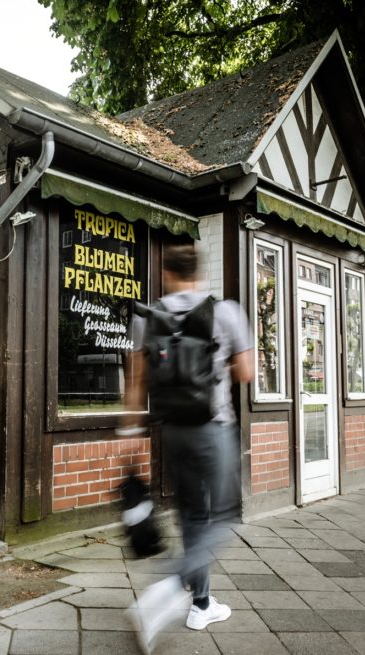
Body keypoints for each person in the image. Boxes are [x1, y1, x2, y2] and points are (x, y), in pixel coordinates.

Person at [123, 244, 253, 654]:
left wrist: (128, 432)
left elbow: (137, 381)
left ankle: (201, 604)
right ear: (199, 272)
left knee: (192, 515)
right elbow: (247, 371)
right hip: (213, 428)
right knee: (226, 517)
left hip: (171, 431)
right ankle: (169, 586)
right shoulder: (226, 311)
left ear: (166, 273)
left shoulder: (151, 316)